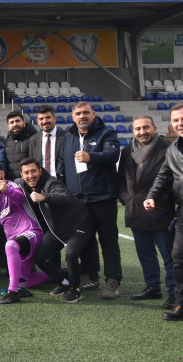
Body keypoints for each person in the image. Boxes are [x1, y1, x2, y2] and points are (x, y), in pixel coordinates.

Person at [57, 101, 122, 298]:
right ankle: (90, 275)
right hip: (78, 200)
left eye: (86, 112)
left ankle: (112, 281)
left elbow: (113, 154)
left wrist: (91, 157)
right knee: (85, 241)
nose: (82, 116)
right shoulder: (68, 137)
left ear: (93, 114)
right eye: (78, 113)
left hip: (103, 198)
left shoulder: (106, 133)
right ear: (73, 117)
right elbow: (61, 162)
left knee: (108, 241)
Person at [17, 158, 93, 304]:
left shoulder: (51, 182)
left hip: (78, 224)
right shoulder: (22, 183)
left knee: (71, 254)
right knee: (40, 256)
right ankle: (63, 282)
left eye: (33, 171)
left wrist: (45, 197)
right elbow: (10, 184)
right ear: (22, 175)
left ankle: (75, 290)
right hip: (57, 229)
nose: (30, 176)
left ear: (40, 171)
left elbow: (65, 196)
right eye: (26, 173)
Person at [118, 116, 175, 306]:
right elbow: (121, 179)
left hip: (161, 210)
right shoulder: (127, 151)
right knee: (145, 254)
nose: (142, 132)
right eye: (138, 129)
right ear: (133, 131)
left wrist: (163, 202)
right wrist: (127, 199)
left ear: (154, 128)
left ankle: (174, 292)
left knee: (169, 256)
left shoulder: (168, 149)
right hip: (136, 210)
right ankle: (153, 287)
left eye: (146, 127)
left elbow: (173, 179)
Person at [0, 161, 48, 303]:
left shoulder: (11, 185)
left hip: (30, 233)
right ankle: (60, 275)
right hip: (16, 241)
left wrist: (7, 189)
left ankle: (12, 293)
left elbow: (19, 198)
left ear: (2, 173)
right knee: (24, 282)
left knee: (10, 245)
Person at [145, 104, 183, 320]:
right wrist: (152, 196)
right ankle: (181, 304)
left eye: (182, 119)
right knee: (178, 259)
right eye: (176, 120)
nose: (180, 123)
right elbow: (163, 176)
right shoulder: (172, 149)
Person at [28, 105, 67, 177]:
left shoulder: (66, 136)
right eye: (41, 119)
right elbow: (32, 163)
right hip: (42, 180)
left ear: (55, 118)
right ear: (37, 121)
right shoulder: (33, 139)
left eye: (48, 117)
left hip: (62, 180)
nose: (45, 121)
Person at [4, 111, 37, 180]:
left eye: (17, 121)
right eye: (12, 122)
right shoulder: (8, 140)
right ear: (8, 126)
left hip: (28, 180)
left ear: (24, 122)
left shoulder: (33, 138)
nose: (15, 124)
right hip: (11, 181)